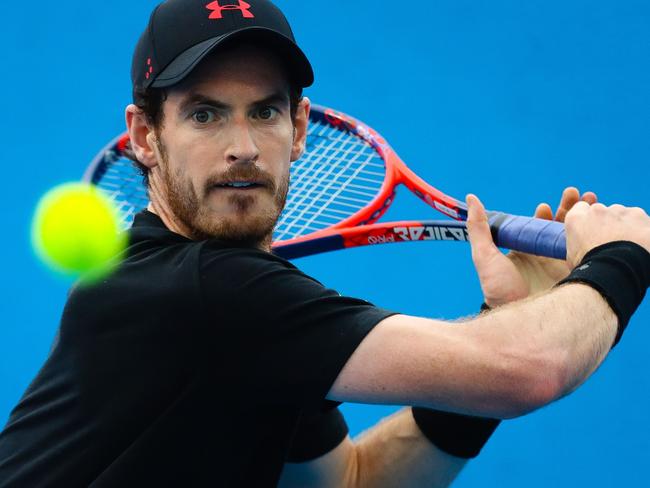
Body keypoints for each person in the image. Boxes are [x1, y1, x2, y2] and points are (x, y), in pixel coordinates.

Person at [1, 0, 649, 486]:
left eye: (266, 110)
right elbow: (528, 369)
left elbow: (352, 480)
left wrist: (500, 329)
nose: (244, 147)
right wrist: (622, 258)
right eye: (204, 113)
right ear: (144, 135)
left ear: (300, 126)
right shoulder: (207, 292)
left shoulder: (234, 323)